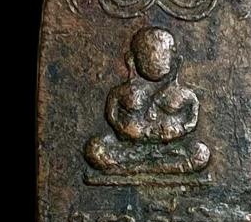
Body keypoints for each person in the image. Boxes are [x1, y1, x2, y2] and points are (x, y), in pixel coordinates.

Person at [84, 27, 210, 175]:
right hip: (129, 148)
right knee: (94, 149)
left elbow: (192, 120)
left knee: (201, 153)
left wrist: (178, 130)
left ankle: (133, 169)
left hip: (170, 149)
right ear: (132, 59)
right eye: (146, 56)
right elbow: (112, 117)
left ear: (175, 60)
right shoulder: (121, 92)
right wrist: (124, 129)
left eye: (163, 56)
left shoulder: (185, 95)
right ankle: (154, 168)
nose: (155, 61)